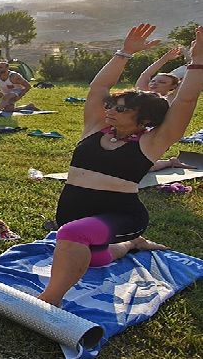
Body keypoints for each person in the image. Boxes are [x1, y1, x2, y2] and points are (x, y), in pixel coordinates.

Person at [36, 23, 203, 308]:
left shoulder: (152, 142)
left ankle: (49, 300)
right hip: (72, 214)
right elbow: (99, 87)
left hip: (121, 215)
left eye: (121, 109)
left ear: (144, 119)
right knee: (95, 256)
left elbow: (186, 99)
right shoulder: (95, 128)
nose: (110, 110)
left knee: (73, 235)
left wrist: (197, 61)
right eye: (112, 105)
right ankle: (132, 244)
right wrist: (124, 52)